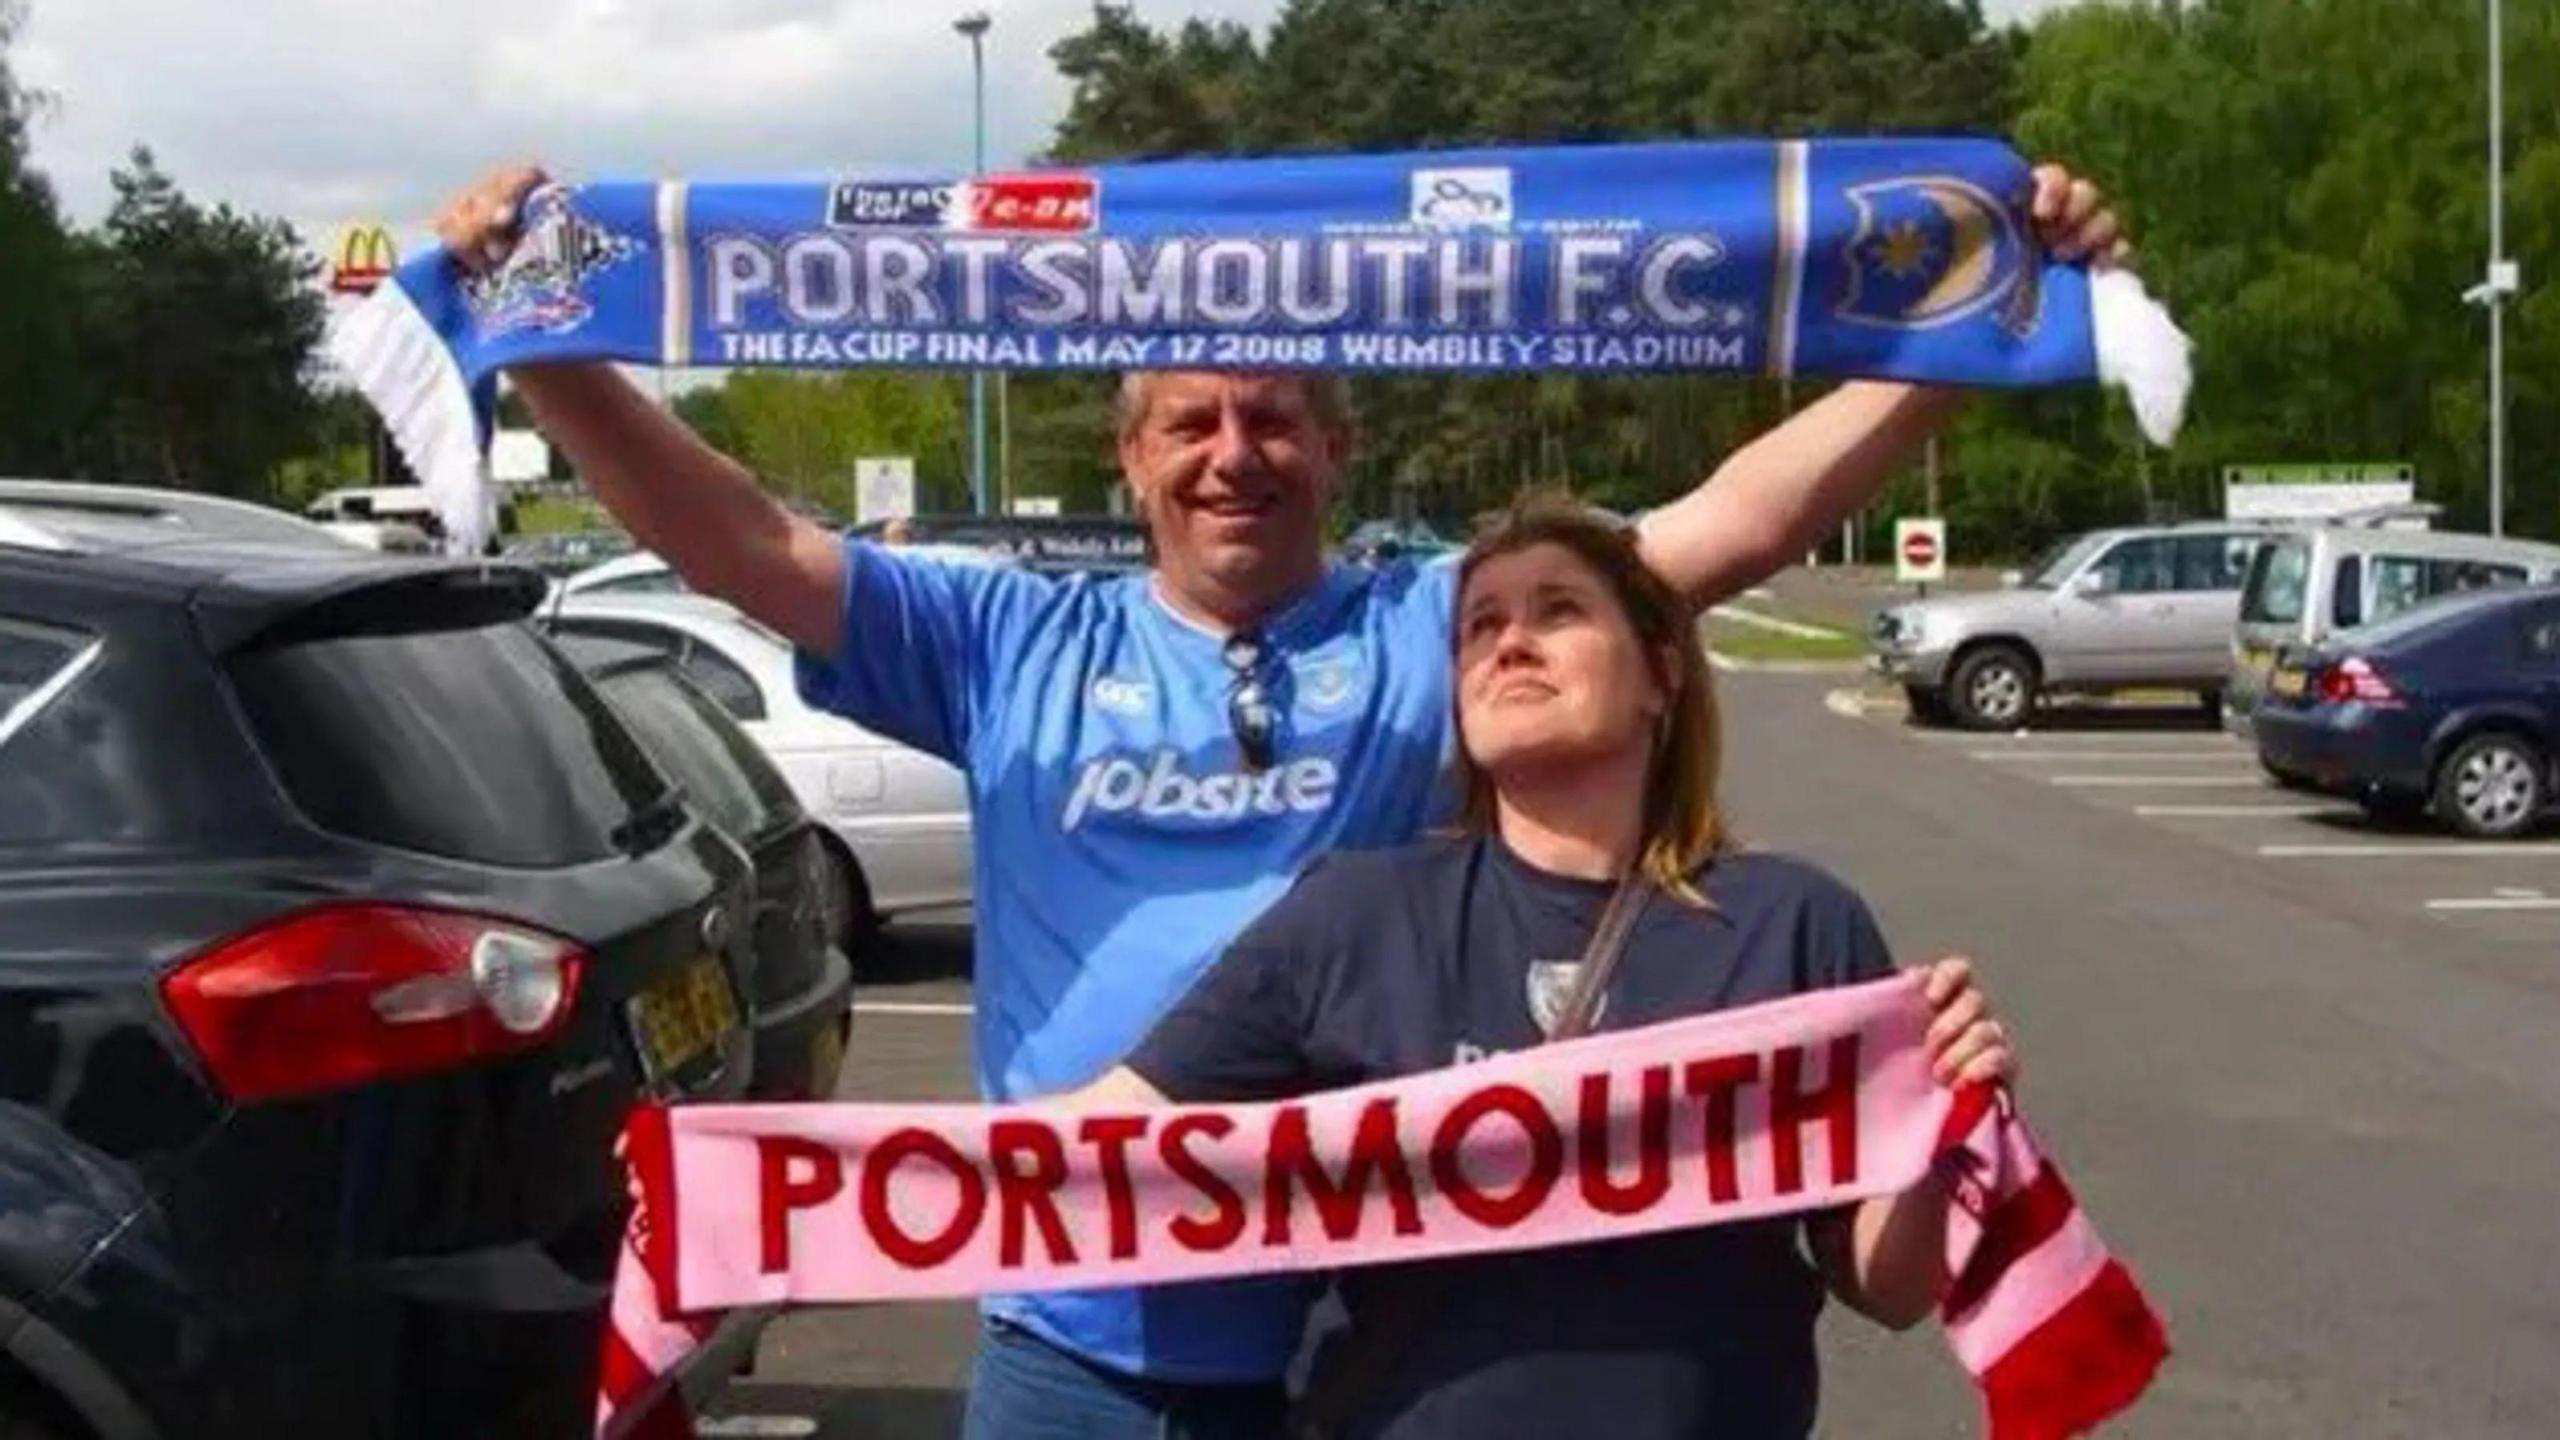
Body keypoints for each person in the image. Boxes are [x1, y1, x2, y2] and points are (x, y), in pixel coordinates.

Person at [433, 162, 2119, 1440]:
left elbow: (1723, 526)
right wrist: (555, 358)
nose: (1233, 452)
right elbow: (741, 540)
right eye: (1192, 422)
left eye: (1275, 419)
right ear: (1132, 457)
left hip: (1345, 1336)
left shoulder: (1433, 630)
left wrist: (1969, 327)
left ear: (1338, 445)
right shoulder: (1002, 633)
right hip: (1067, 1343)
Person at [1075, 492, 2018, 1438]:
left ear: (1660, 673)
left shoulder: (1794, 924)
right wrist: (924, 1189)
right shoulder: (1353, 914)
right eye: (1483, 624)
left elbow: (1890, 1289)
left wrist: (1942, 1122)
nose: (1510, 643)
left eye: (1558, 610)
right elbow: (1090, 1144)